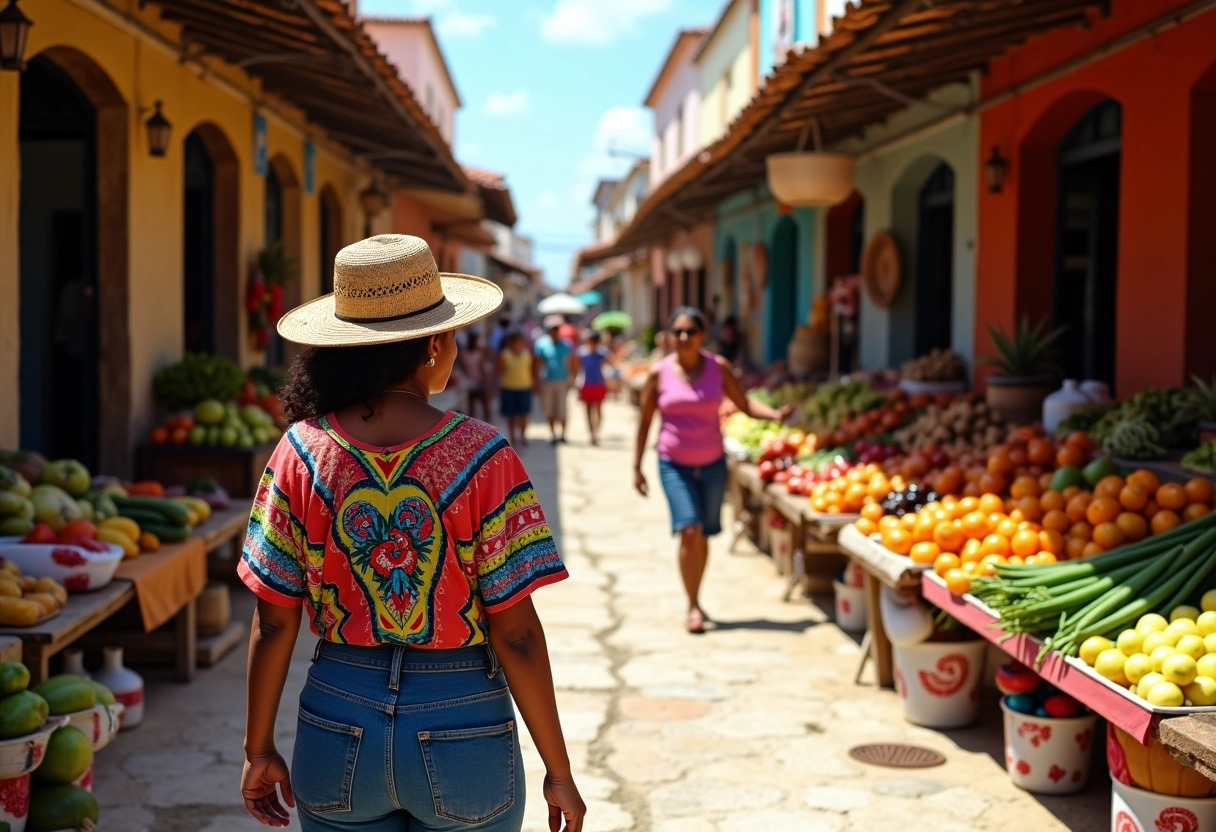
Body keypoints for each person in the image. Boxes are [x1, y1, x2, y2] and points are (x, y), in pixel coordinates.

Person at [239, 234, 585, 832]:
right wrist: (558, 769)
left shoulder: (301, 452)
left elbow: (274, 621)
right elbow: (519, 635)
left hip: (336, 716)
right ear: (432, 344)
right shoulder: (484, 457)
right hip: (464, 724)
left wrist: (258, 748)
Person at [632, 306, 793, 634]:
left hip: (712, 465)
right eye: (677, 331)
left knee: (703, 534)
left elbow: (745, 404)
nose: (684, 337)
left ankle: (696, 593)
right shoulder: (658, 373)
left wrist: (774, 415)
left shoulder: (718, 368)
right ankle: (693, 605)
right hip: (673, 463)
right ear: (669, 336)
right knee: (688, 529)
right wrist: (636, 466)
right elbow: (646, 420)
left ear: (703, 336)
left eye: (691, 331)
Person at [533, 316, 579, 445]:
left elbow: (573, 362)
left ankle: (563, 435)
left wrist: (573, 378)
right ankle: (553, 434)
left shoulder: (567, 344)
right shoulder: (541, 344)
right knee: (550, 409)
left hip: (562, 380)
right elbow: (537, 364)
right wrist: (536, 381)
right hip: (547, 381)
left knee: (562, 409)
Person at [498, 329, 534, 447]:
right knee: (511, 415)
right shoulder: (505, 355)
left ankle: (523, 436)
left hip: (524, 387)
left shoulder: (527, 354)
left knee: (524, 414)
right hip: (509, 388)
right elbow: (499, 371)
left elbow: (531, 369)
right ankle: (513, 437)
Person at [576, 330, 613, 446]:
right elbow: (578, 369)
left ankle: (596, 432)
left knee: (598, 409)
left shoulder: (602, 353)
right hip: (586, 384)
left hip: (599, 384)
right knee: (587, 409)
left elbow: (609, 365)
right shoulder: (582, 353)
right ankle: (591, 432)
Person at [458, 331, 491, 422]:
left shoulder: (465, 354)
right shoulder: (479, 354)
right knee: (484, 407)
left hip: (470, 383)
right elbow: (483, 369)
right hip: (479, 382)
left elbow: (463, 368)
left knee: (472, 407)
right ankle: (487, 425)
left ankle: (473, 425)